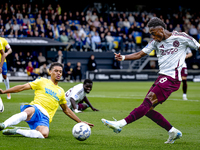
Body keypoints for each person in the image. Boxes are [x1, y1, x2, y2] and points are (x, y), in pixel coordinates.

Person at [101, 17, 200, 144]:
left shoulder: (181, 37)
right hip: (162, 77)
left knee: (147, 103)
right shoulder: (155, 42)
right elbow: (139, 54)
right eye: (151, 34)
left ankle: (120, 124)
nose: (152, 36)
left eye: (153, 33)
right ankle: (172, 131)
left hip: (172, 78)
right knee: (147, 110)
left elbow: (198, 46)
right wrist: (124, 57)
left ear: (161, 29)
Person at [0, 62, 94, 138]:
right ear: (50, 72)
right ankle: (4, 124)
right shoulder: (42, 81)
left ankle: (18, 131)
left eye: (60, 72)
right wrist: (4, 91)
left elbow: (66, 110)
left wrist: (80, 121)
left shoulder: (61, 91)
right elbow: (22, 87)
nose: (58, 73)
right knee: (28, 111)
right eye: (56, 71)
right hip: (36, 108)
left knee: (44, 134)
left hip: (45, 117)